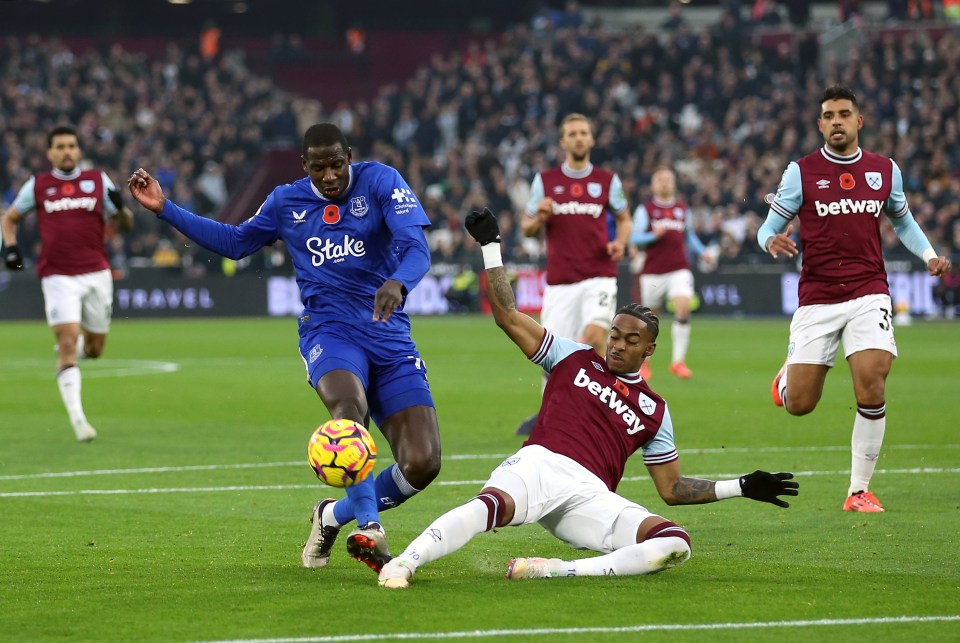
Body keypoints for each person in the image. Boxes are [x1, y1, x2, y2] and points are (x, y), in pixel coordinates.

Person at [376, 208, 799, 589]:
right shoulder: (574, 356)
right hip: (539, 463)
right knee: (488, 507)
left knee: (675, 544)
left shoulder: (655, 411)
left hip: (590, 495)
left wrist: (740, 486)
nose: (617, 346)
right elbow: (507, 316)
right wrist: (491, 248)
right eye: (614, 335)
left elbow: (672, 489)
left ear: (648, 351)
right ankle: (404, 563)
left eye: (630, 341)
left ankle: (557, 569)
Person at [127, 123, 441, 573]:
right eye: (319, 167)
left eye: (336, 164)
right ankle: (370, 529)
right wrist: (166, 209)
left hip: (389, 335)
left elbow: (417, 249)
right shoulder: (286, 201)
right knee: (349, 413)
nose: (330, 175)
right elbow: (236, 243)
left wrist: (398, 282)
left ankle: (330, 515)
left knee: (423, 463)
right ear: (305, 166)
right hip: (329, 332)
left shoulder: (382, 181)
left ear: (349, 156)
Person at [759, 86, 950, 513]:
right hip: (818, 298)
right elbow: (766, 227)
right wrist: (770, 239)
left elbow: (903, 220)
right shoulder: (801, 172)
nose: (837, 121)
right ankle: (787, 376)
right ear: (820, 124)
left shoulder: (884, 170)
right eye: (829, 115)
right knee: (800, 406)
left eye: (845, 114)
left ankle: (857, 490)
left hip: (868, 291)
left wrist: (930, 255)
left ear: (859, 121)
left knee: (873, 382)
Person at [1, 124, 134, 442]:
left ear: (79, 151)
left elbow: (125, 225)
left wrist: (122, 207)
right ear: (49, 153)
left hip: (96, 273)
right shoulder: (38, 185)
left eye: (71, 146)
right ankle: (79, 421)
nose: (66, 151)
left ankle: (76, 346)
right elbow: (10, 218)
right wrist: (11, 250)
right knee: (66, 345)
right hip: (58, 276)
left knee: (95, 349)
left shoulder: (98, 181)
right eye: (59, 146)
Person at [515, 113, 632, 435]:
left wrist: (620, 244)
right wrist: (539, 217)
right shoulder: (546, 181)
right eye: (573, 134)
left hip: (599, 276)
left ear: (592, 140)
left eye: (584, 133)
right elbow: (526, 228)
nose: (579, 138)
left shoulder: (608, 181)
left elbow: (625, 219)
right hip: (560, 282)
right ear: (563, 142)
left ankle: (591, 411)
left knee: (595, 337)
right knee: (549, 356)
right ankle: (549, 415)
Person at [630, 166, 716, 381]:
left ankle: (678, 361)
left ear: (674, 184)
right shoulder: (646, 209)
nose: (665, 183)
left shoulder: (681, 209)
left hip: (679, 269)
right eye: (660, 179)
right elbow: (633, 238)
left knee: (683, 308)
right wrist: (652, 235)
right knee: (650, 319)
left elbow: (689, 236)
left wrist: (702, 252)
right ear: (653, 185)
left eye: (668, 179)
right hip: (653, 272)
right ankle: (645, 363)